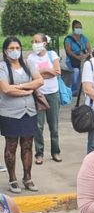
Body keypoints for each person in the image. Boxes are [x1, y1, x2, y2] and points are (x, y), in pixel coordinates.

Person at [1, 36, 44, 193]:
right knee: (11, 145)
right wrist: (26, 91)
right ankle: (12, 179)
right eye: (11, 49)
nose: (15, 51)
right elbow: (6, 89)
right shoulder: (2, 67)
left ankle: (27, 177)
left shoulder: (28, 64)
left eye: (17, 48)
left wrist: (20, 86)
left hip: (29, 111)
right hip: (10, 113)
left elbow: (39, 81)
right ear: (5, 51)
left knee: (27, 144)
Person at [27, 33, 62, 165]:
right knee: (38, 126)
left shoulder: (52, 55)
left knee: (54, 126)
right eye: (33, 41)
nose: (35, 44)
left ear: (44, 43)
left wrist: (44, 71)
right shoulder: (30, 57)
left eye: (37, 41)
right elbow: (31, 74)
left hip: (52, 93)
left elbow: (57, 72)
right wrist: (46, 73)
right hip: (39, 94)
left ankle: (55, 151)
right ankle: (39, 153)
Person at [63, 20, 90, 96]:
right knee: (76, 71)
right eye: (77, 27)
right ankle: (74, 90)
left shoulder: (83, 38)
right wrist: (77, 57)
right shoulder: (68, 39)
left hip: (83, 59)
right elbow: (68, 51)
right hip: (72, 60)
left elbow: (89, 48)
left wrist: (86, 55)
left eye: (80, 27)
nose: (79, 29)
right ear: (73, 28)